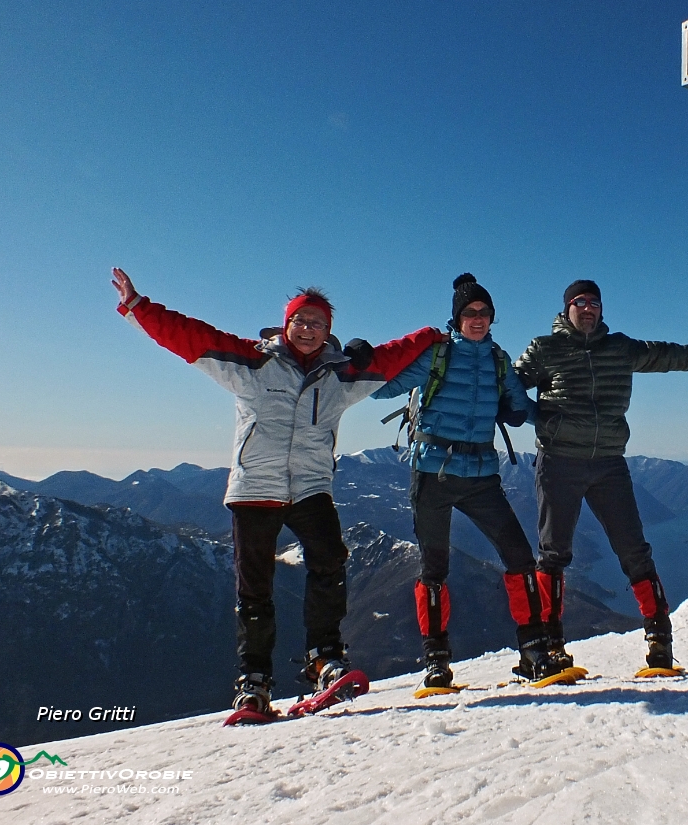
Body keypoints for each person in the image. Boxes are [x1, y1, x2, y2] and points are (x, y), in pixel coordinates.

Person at [111, 267, 444, 716]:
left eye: (317, 323)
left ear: (329, 332)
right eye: (300, 321)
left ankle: (324, 658)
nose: (307, 330)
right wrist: (138, 306)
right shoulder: (251, 362)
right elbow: (189, 336)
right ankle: (254, 682)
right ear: (286, 325)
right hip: (254, 489)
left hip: (310, 488)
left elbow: (393, 355)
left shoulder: (342, 376)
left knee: (330, 563)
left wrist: (430, 335)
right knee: (255, 590)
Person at [514, 279, 688, 674]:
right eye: (580, 302)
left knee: (634, 549)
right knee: (553, 553)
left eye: (595, 302)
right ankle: (551, 646)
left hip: (609, 463)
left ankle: (659, 640)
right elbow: (508, 385)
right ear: (566, 309)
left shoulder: (621, 348)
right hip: (559, 462)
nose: (589, 308)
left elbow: (674, 356)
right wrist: (527, 413)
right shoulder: (546, 348)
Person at [373, 274, 555, 688]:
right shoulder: (437, 356)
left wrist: (562, 418)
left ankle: (534, 652)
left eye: (484, 313)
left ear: (493, 318)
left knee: (520, 558)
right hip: (432, 474)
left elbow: (522, 406)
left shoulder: (498, 360)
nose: (478, 319)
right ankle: (436, 663)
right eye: (470, 313)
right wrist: (365, 362)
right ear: (456, 318)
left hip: (480, 476)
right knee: (434, 568)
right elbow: (382, 390)